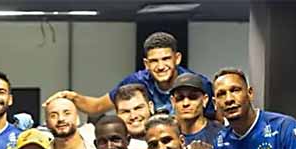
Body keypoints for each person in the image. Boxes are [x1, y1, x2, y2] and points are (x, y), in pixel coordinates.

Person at [46, 31, 215, 119]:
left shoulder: (198, 84)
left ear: (177, 58)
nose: (160, 66)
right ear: (146, 64)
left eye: (166, 59)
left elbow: (216, 122)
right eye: (154, 61)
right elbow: (96, 107)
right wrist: (72, 97)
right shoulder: (136, 82)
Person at [213, 68, 296, 149]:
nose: (229, 99)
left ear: (250, 93)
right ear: (215, 103)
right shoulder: (219, 141)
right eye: (221, 94)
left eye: (235, 90)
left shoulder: (283, 126)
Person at [170, 72, 224, 147]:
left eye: (193, 97)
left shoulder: (220, 133)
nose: (186, 103)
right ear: (173, 102)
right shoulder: (166, 135)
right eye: (180, 98)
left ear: (205, 100)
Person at [113, 83, 153, 149]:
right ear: (117, 115)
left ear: (151, 107)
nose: (133, 116)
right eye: (125, 111)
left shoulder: (172, 136)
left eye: (138, 108)